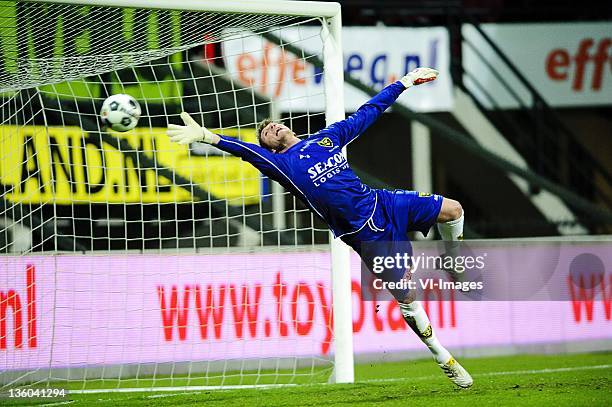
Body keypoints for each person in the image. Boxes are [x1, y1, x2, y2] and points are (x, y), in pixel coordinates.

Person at [167, 67, 472, 388]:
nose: (270, 128)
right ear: (269, 147)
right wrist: (207, 136)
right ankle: (442, 355)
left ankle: (452, 260)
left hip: (383, 202)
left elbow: (370, 111)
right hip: (364, 234)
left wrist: (404, 82)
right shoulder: (281, 165)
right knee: (407, 294)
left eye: (271, 125)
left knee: (453, 210)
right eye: (265, 133)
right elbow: (244, 150)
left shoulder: (328, 139)